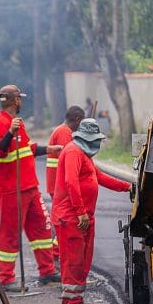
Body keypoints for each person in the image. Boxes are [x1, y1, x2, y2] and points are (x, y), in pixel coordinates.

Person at [51, 118, 132, 304]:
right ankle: (70, 302)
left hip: (83, 217)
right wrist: (80, 213)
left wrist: (127, 186)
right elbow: (71, 183)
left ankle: (77, 297)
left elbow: (99, 177)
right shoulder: (72, 152)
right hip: (72, 217)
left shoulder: (84, 154)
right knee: (73, 260)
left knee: (83, 260)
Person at [0, 84, 62, 291]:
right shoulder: (2, 123)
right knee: (10, 233)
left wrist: (49, 149)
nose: (21, 101)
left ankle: (47, 271)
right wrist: (9, 133)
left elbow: (27, 148)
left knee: (41, 226)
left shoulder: (17, 123)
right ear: (16, 100)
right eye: (19, 98)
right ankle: (6, 278)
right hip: (11, 189)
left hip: (29, 186)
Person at [45, 105, 86, 261]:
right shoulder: (64, 133)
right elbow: (69, 158)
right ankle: (57, 254)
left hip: (57, 184)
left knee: (64, 223)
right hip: (59, 185)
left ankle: (58, 254)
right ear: (77, 120)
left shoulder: (64, 131)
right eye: (81, 121)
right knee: (65, 224)